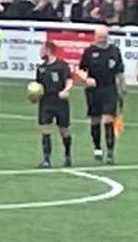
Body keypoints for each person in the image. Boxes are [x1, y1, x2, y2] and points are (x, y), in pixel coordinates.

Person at [78, 26, 125, 164]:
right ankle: (97, 148)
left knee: (108, 119)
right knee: (95, 120)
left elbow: (119, 71)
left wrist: (123, 87)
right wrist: (86, 79)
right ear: (95, 36)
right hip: (93, 90)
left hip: (109, 89)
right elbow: (80, 70)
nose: (102, 39)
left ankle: (110, 152)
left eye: (104, 36)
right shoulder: (89, 52)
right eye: (100, 36)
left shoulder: (114, 51)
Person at [33, 39, 77, 167]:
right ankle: (46, 159)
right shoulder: (41, 68)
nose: (40, 52)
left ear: (48, 49)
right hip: (46, 102)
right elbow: (38, 85)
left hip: (60, 101)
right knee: (45, 129)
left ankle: (68, 155)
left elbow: (69, 80)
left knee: (64, 130)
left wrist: (65, 90)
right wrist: (35, 96)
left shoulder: (61, 65)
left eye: (42, 49)